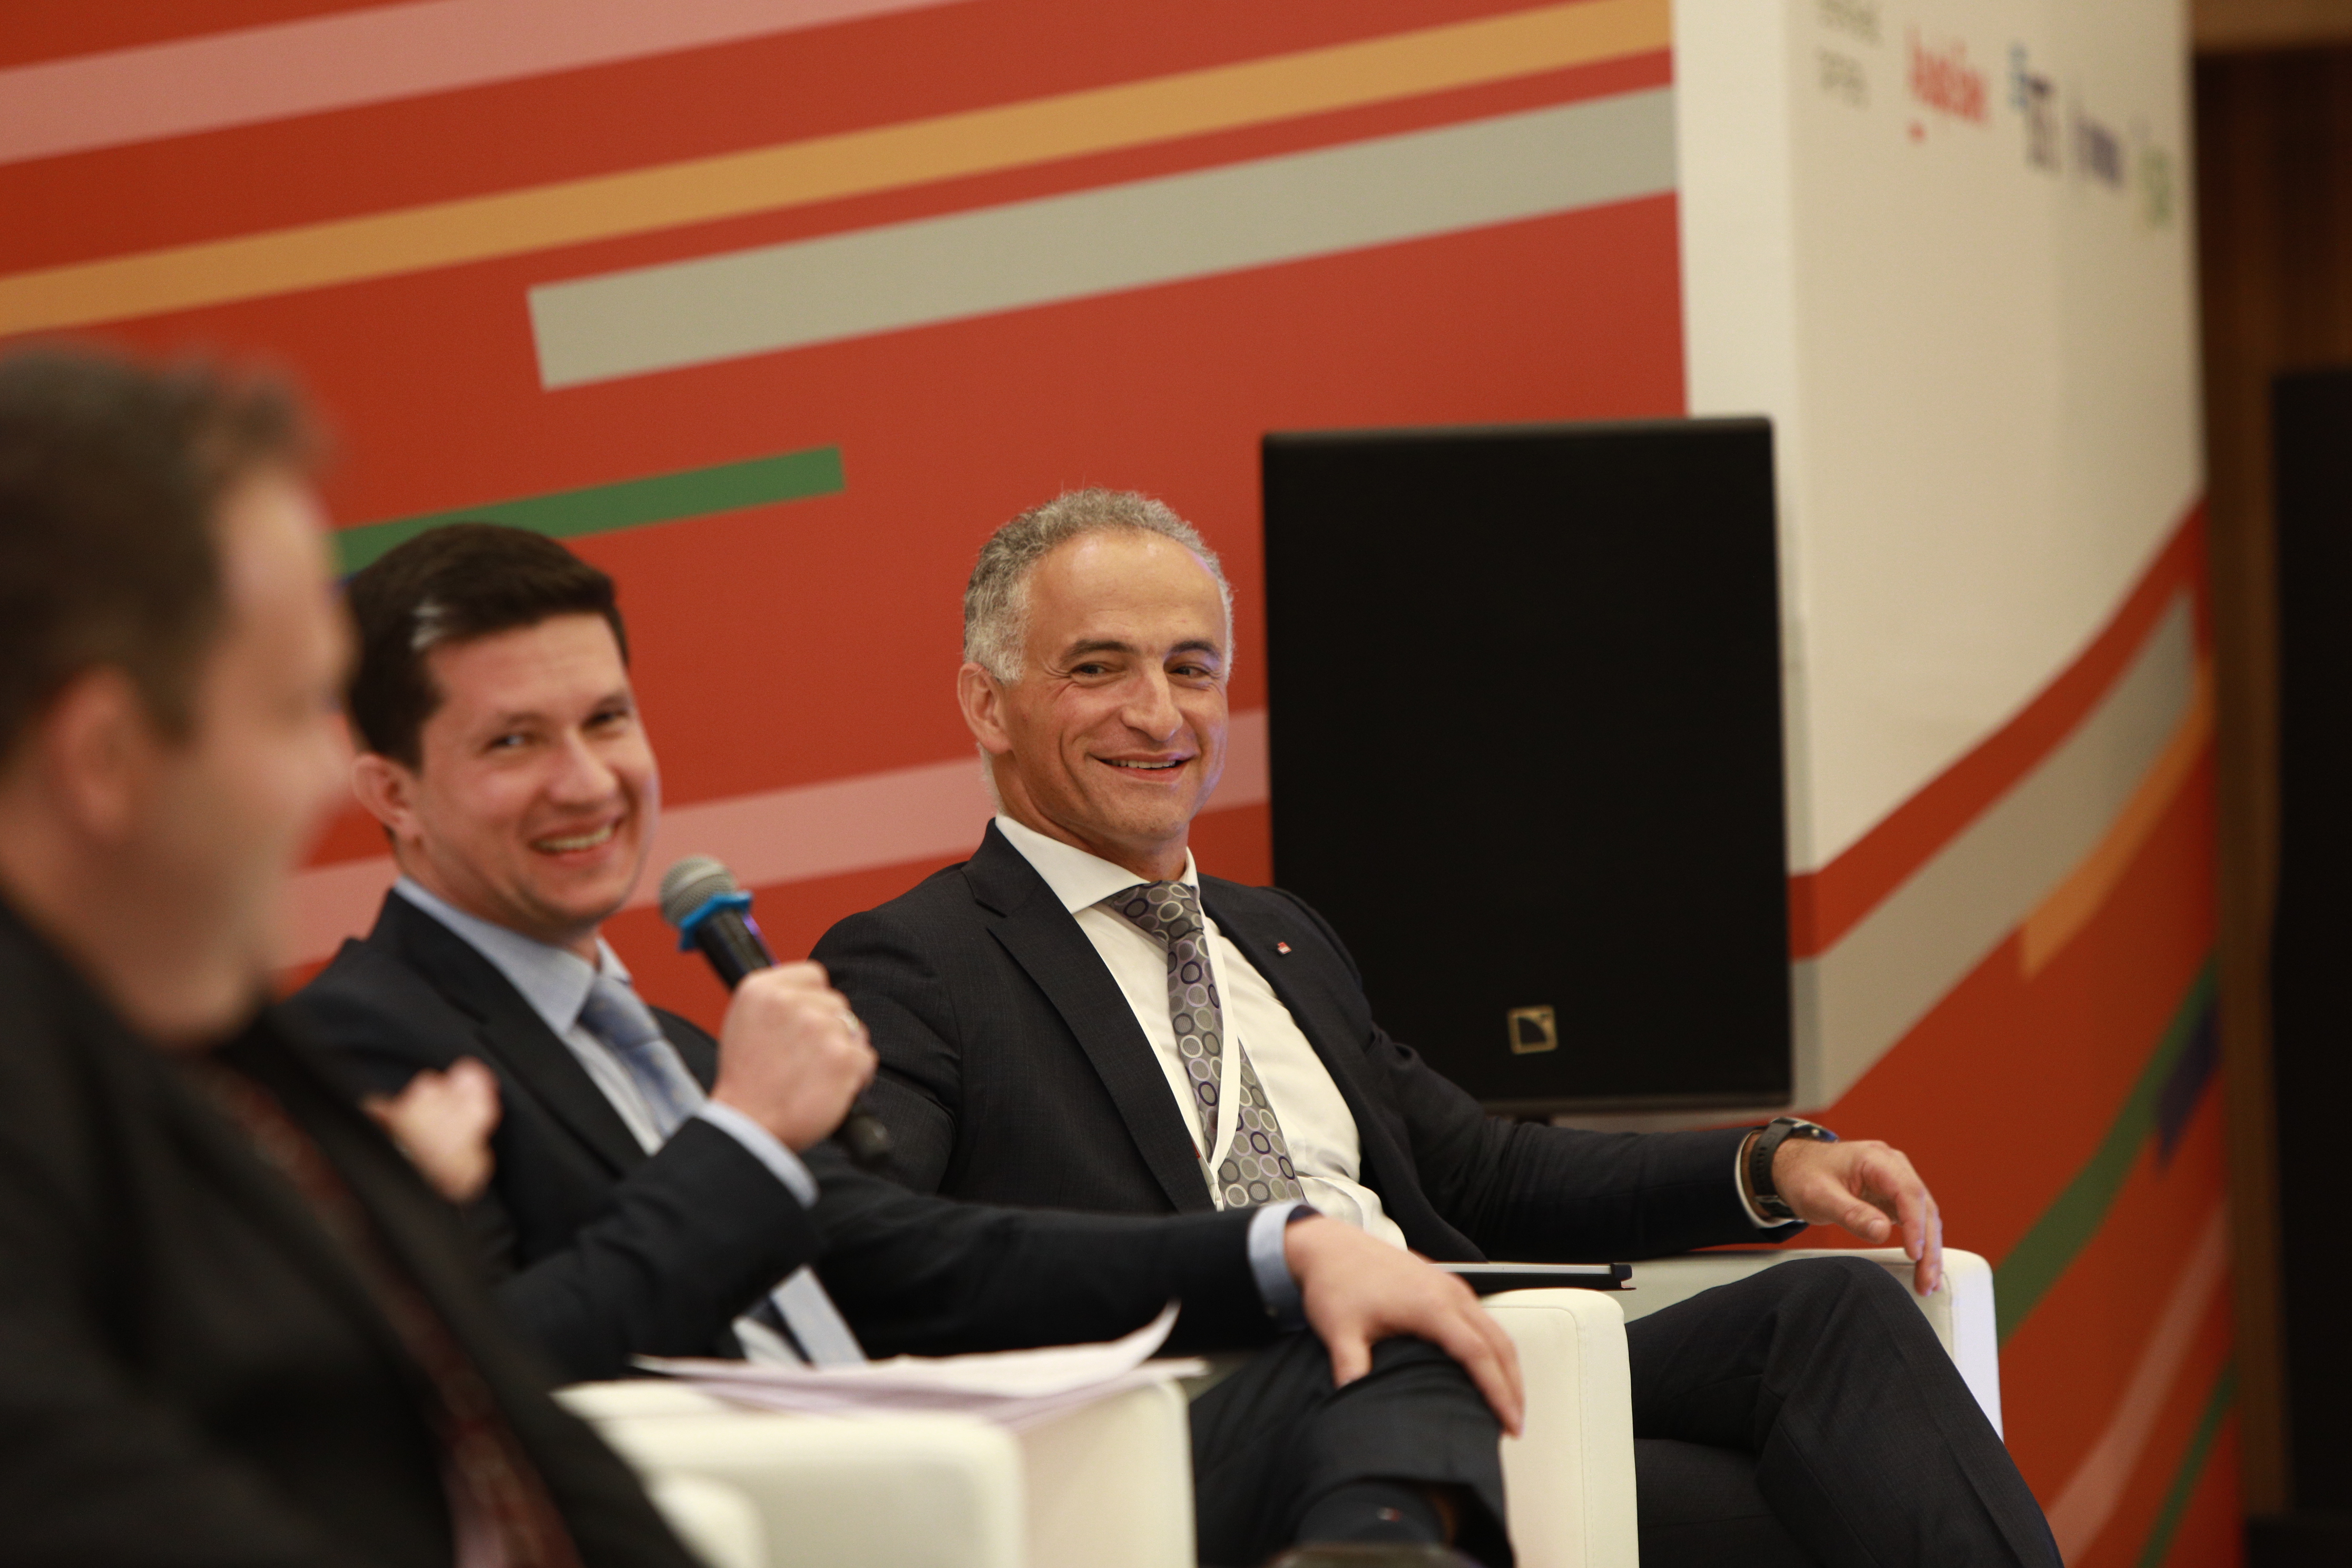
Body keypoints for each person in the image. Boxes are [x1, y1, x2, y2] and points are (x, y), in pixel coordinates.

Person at [811, 488, 2066, 1568]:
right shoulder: (918, 960)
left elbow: (1480, 1173)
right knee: (1817, 1511)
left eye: (1191, 669)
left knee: (1832, 1318)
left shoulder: (1278, 934)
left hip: (1475, 1358)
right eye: (1098, 669)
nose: (1158, 714)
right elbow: (877, 1253)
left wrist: (1767, 1165)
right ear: (988, 704)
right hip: (1222, 1418)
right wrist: (1266, 1265)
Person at [290, 523, 1543, 1567]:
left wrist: (1284, 1250)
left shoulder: (664, 1042)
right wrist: (743, 1141)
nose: (586, 781)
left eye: (607, 721)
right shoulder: (363, 1038)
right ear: (393, 793)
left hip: (962, 1476)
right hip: (797, 1522)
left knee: (1387, 1336)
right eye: (514, 742)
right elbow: (468, 1376)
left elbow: (924, 1259)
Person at [0, 346, 697, 1566]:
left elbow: (525, 1436)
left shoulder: (224, 1042)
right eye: (289, 711)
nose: (333, 778)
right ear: (104, 758)